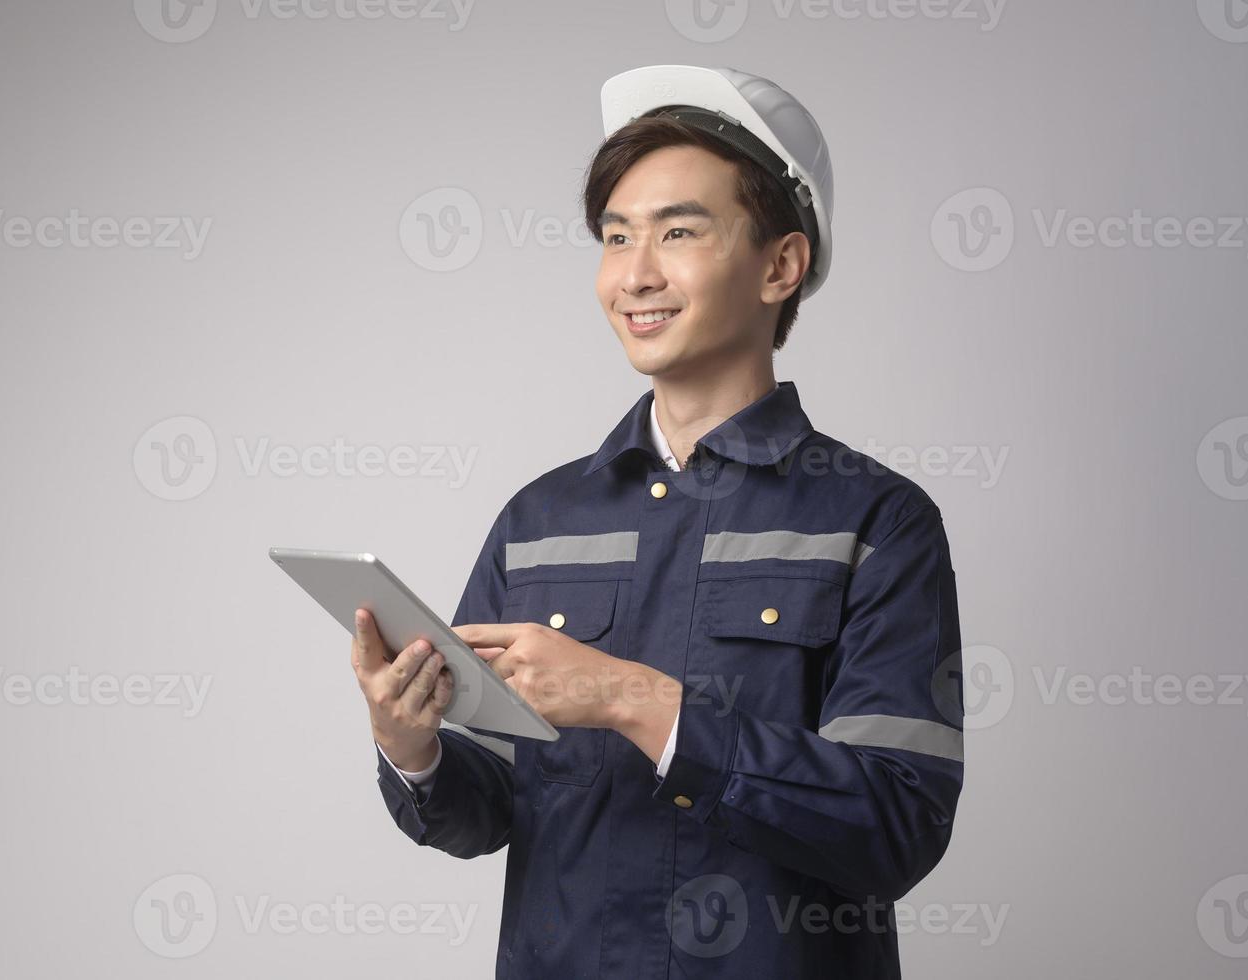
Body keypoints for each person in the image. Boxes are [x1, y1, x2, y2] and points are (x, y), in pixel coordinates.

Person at [349, 64, 964, 979]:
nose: (634, 274)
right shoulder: (539, 520)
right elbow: (487, 815)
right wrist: (414, 747)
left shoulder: (877, 521)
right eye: (614, 236)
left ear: (780, 265)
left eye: (678, 231)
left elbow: (896, 826)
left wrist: (633, 700)